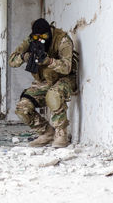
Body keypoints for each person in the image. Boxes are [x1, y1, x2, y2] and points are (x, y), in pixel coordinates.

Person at [9, 18, 77, 148]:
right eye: (37, 36)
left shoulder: (62, 39)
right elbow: (12, 61)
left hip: (64, 78)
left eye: (44, 36)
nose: (41, 39)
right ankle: (46, 133)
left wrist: (49, 61)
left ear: (50, 32)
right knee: (22, 109)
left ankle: (61, 132)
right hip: (44, 80)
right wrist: (24, 57)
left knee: (53, 96)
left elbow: (67, 68)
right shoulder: (30, 40)